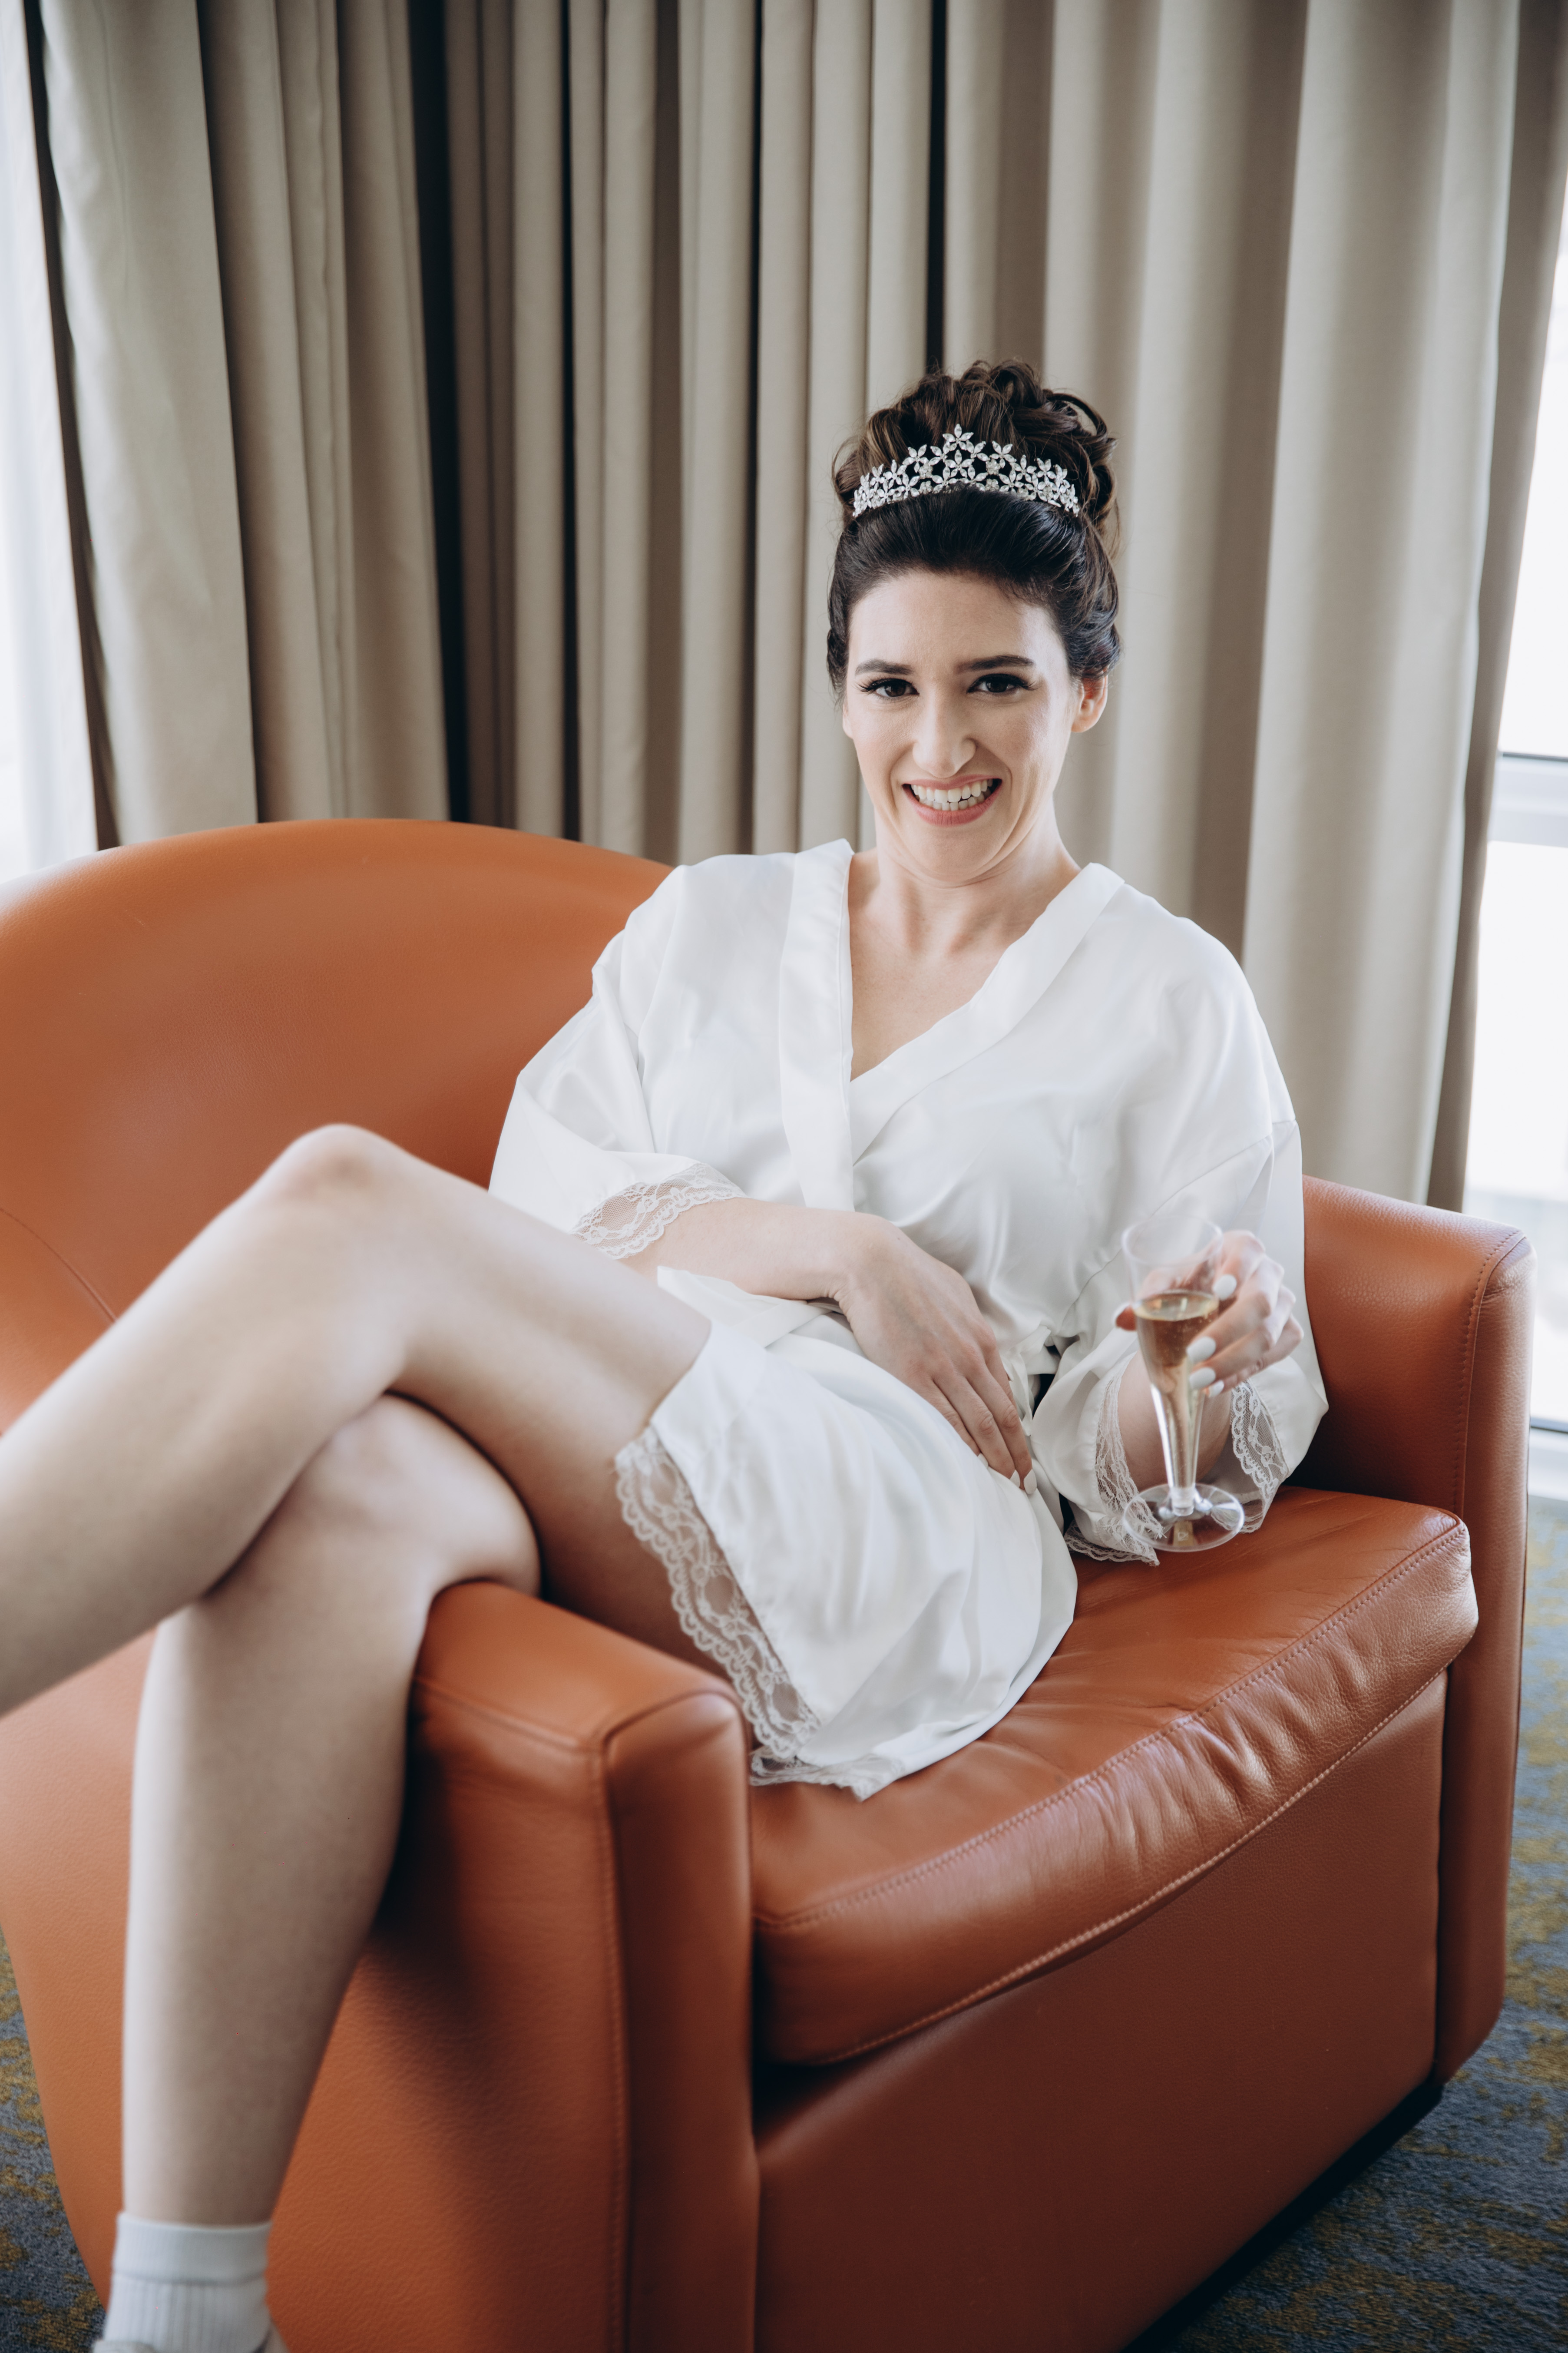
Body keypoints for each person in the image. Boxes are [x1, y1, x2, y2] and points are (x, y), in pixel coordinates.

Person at [0, 360, 1322, 2353]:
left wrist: (1182, 1364)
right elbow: (546, 1193)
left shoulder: (1172, 1000)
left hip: (908, 1507)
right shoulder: (711, 924)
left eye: (997, 684)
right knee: (343, 1494)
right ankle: (191, 2317)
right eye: (891, 684)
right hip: (638, 1412)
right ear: (840, 694)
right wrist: (839, 1249)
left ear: (1087, 695)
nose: (939, 743)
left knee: (346, 1195)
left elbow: (1131, 1458)